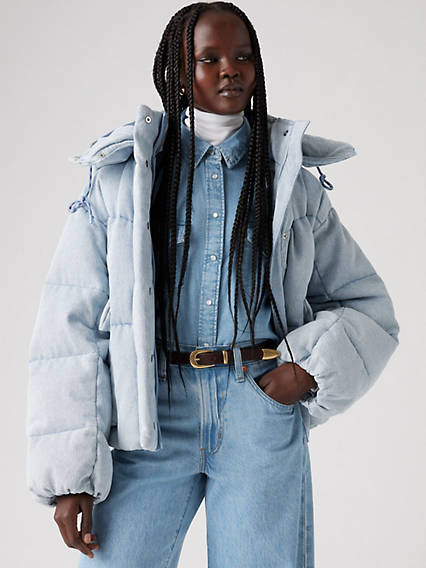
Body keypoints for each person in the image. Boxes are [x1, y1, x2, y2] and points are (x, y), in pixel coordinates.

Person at [26, 2, 400, 566]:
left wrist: (304, 370)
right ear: (179, 70)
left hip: (259, 413)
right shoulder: (123, 179)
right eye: (209, 58)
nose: (230, 69)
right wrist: (69, 476)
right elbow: (69, 326)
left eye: (242, 56)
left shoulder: (289, 183)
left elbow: (367, 307)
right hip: (152, 417)